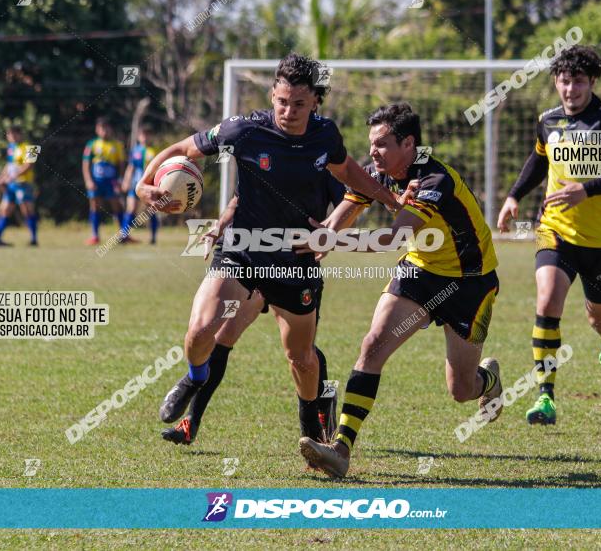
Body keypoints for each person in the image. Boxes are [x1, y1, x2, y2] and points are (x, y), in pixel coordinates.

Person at [136, 53, 403, 445]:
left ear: (315, 101)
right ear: (271, 95)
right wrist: (143, 185)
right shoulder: (243, 130)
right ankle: (194, 382)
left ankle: (312, 421)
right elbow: (183, 149)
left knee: (302, 357)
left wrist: (383, 202)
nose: (288, 111)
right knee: (203, 330)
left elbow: (349, 176)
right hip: (242, 252)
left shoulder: (324, 137)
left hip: (295, 261)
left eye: (298, 104)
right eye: (281, 101)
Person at [298, 103, 502, 478]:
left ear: (409, 144)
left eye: (382, 143)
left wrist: (333, 240)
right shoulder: (380, 171)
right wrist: (321, 235)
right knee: (373, 344)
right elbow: (349, 204)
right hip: (420, 273)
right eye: (371, 143)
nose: (373, 151)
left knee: (461, 389)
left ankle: (489, 381)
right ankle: (340, 449)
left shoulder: (434, 180)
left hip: (469, 282)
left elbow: (394, 236)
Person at [496, 45, 601, 425]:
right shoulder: (548, 120)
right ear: (556, 83)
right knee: (547, 302)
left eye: (578, 81)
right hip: (555, 230)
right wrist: (513, 197)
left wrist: (586, 189)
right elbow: (538, 158)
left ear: (591, 81)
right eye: (563, 81)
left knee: (600, 317)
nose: (570, 89)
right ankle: (545, 397)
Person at [82, 117, 126, 245]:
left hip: (111, 181)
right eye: (102, 128)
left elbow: (121, 164)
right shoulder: (92, 144)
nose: (104, 131)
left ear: (110, 129)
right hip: (96, 181)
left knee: (116, 206)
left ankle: (123, 235)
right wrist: (88, 180)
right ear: (97, 130)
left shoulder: (117, 145)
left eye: (107, 128)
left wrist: (120, 180)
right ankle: (95, 236)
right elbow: (85, 164)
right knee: (95, 206)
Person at [0, 126, 38, 245]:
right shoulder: (11, 148)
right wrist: (2, 177)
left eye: (14, 134)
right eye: (9, 135)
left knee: (27, 211)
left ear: (20, 134)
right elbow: (9, 165)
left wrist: (12, 176)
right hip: (12, 185)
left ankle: (34, 239)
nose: (11, 137)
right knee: (4, 210)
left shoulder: (31, 147)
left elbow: (29, 165)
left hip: (24, 184)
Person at [120, 124, 158, 244]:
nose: (145, 137)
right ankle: (124, 236)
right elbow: (131, 167)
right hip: (135, 185)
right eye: (143, 135)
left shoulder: (154, 151)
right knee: (131, 209)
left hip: (149, 186)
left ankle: (153, 237)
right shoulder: (135, 151)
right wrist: (126, 181)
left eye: (147, 135)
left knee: (151, 210)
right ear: (138, 136)